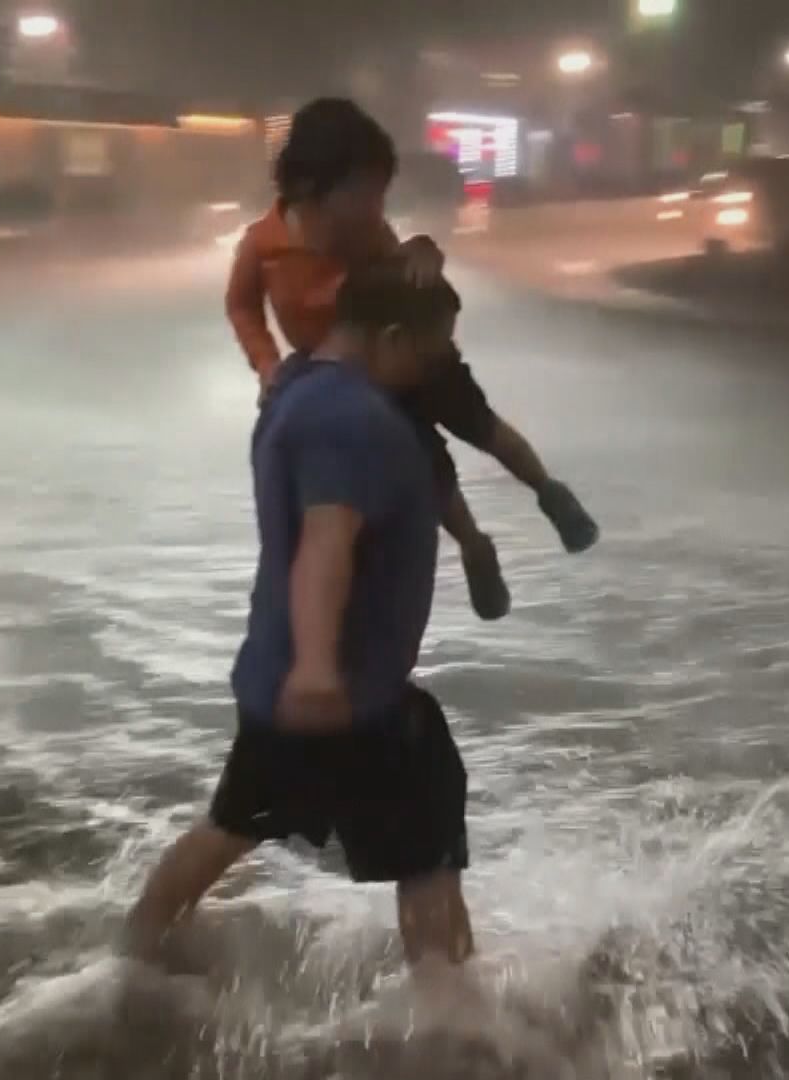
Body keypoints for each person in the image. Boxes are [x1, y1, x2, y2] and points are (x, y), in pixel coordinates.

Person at [125, 257, 475, 979]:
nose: (435, 370)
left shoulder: (298, 390)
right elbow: (326, 540)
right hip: (341, 692)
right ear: (389, 337)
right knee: (427, 840)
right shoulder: (354, 419)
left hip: (295, 681)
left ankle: (134, 956)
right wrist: (318, 665)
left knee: (235, 824)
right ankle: (453, 1019)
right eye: (431, 350)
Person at [226, 97, 598, 622]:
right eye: (364, 193)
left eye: (381, 194)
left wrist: (426, 251)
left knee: (482, 426)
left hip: (415, 352)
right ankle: (473, 546)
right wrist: (267, 366)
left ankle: (548, 491)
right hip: (357, 379)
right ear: (312, 186)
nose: (375, 207)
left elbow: (411, 271)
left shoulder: (368, 232)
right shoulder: (262, 245)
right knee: (425, 463)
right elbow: (242, 307)